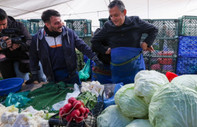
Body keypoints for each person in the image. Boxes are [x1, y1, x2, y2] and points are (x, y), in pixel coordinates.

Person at [91, 0, 158, 84]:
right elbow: (94, 41)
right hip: (118, 70)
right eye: (111, 16)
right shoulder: (108, 26)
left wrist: (146, 42)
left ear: (124, 12)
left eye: (116, 15)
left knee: (138, 89)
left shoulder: (135, 21)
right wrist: (105, 50)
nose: (113, 19)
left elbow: (154, 30)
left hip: (135, 68)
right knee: (119, 92)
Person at [29, 9, 103, 85]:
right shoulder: (38, 39)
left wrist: (94, 58)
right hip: (53, 78)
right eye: (56, 23)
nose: (61, 25)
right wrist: (34, 74)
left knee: (76, 94)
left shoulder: (69, 33)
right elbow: (33, 57)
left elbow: (82, 46)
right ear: (47, 25)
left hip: (72, 75)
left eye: (60, 21)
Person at [0, 8, 31, 80]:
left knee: (23, 82)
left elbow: (30, 42)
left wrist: (19, 45)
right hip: (5, 64)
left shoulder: (18, 26)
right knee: (9, 83)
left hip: (21, 60)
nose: (1, 28)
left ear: (7, 19)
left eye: (4, 24)